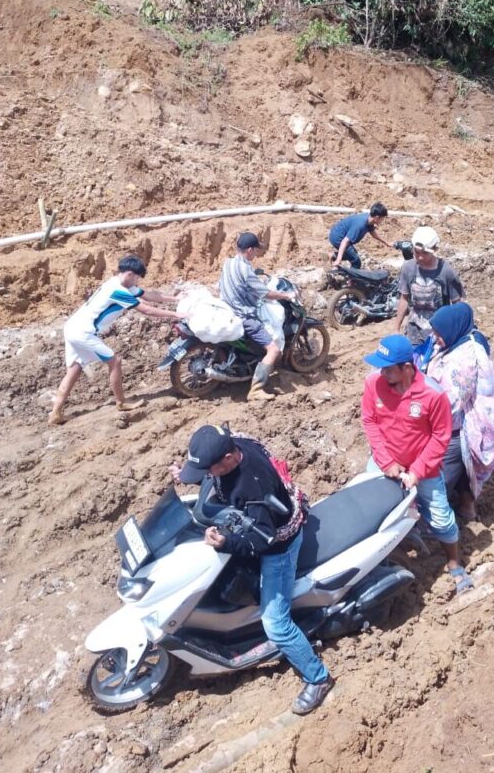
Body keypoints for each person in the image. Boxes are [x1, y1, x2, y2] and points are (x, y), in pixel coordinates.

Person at [170, 424, 335, 716]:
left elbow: (263, 539)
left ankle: (318, 677)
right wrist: (188, 475)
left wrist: (225, 542)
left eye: (210, 470)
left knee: (275, 623)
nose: (208, 476)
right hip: (263, 513)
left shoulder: (252, 486)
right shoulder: (237, 441)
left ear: (229, 460)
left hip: (279, 544)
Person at [361, 334, 474, 595]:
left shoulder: (433, 395)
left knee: (442, 521)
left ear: (407, 369)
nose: (381, 372)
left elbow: (440, 438)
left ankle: (455, 564)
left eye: (388, 368)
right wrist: (386, 461)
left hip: (423, 468)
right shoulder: (373, 384)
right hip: (383, 461)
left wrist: (417, 472)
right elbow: (370, 422)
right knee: (371, 513)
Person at [49, 255, 180, 425]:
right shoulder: (118, 291)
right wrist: (175, 314)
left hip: (72, 327)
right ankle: (121, 402)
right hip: (83, 332)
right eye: (137, 277)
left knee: (74, 369)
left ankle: (55, 413)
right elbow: (146, 310)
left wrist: (174, 299)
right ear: (130, 274)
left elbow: (148, 295)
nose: (138, 281)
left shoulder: (116, 283)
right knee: (115, 361)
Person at [425, 304, 494, 523]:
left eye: (438, 333)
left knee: (444, 473)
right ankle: (465, 501)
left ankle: (442, 519)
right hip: (452, 420)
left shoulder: (464, 358)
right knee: (460, 467)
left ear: (452, 329)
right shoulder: (456, 341)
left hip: (461, 424)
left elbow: (450, 402)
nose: (434, 337)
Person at [219, 232, 295, 401]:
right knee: (274, 349)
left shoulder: (228, 263)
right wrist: (285, 296)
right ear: (250, 250)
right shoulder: (246, 269)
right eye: (256, 251)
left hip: (228, 309)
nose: (256, 254)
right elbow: (266, 293)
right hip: (243, 315)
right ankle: (256, 389)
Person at [393, 226, 464, 346]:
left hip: (439, 333)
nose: (420, 257)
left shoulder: (446, 271)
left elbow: (458, 305)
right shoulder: (408, 268)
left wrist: (460, 332)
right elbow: (404, 299)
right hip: (414, 331)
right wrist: (396, 329)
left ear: (435, 248)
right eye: (417, 252)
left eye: (425, 253)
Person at [328, 202, 393, 269]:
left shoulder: (369, 220)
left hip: (337, 234)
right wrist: (338, 260)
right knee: (356, 261)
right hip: (337, 237)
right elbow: (345, 241)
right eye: (382, 218)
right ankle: (352, 279)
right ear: (377, 218)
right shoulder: (360, 225)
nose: (382, 221)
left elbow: (373, 233)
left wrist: (386, 243)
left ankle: (333, 255)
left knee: (353, 254)